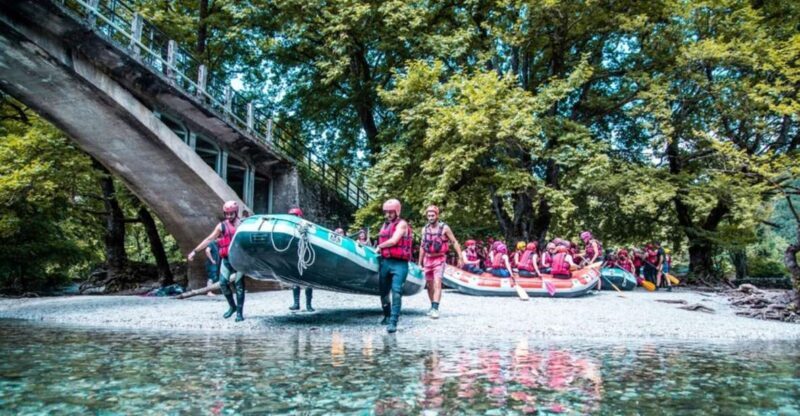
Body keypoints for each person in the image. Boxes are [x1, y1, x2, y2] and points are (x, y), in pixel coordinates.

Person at [188, 200, 245, 321]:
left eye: (231, 214)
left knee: (239, 285)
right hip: (226, 259)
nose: (229, 216)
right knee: (223, 283)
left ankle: (240, 313)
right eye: (227, 214)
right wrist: (195, 251)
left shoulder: (243, 224)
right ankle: (232, 307)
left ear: (236, 213)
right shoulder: (221, 226)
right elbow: (209, 239)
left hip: (240, 260)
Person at [418, 205, 463, 319]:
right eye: (429, 216)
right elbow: (422, 247)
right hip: (427, 259)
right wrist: (419, 263)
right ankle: (432, 306)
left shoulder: (445, 228)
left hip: (439, 259)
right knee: (429, 285)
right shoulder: (424, 229)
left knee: (438, 283)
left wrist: (460, 257)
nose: (431, 218)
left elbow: (454, 242)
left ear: (437, 215)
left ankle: (435, 308)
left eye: (433, 215)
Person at [376, 198, 413, 333]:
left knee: (396, 291)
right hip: (386, 262)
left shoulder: (402, 224)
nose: (388, 215)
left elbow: (394, 240)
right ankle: (386, 315)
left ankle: (393, 322)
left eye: (391, 212)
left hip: (400, 264)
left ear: (397, 211)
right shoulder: (385, 225)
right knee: (384, 292)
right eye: (386, 212)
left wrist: (379, 246)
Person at [288, 207, 314, 312]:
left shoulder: (305, 226)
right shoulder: (289, 228)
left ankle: (308, 305)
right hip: (295, 258)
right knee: (295, 282)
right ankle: (296, 303)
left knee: (308, 282)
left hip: (304, 256)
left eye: (294, 216)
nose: (292, 218)